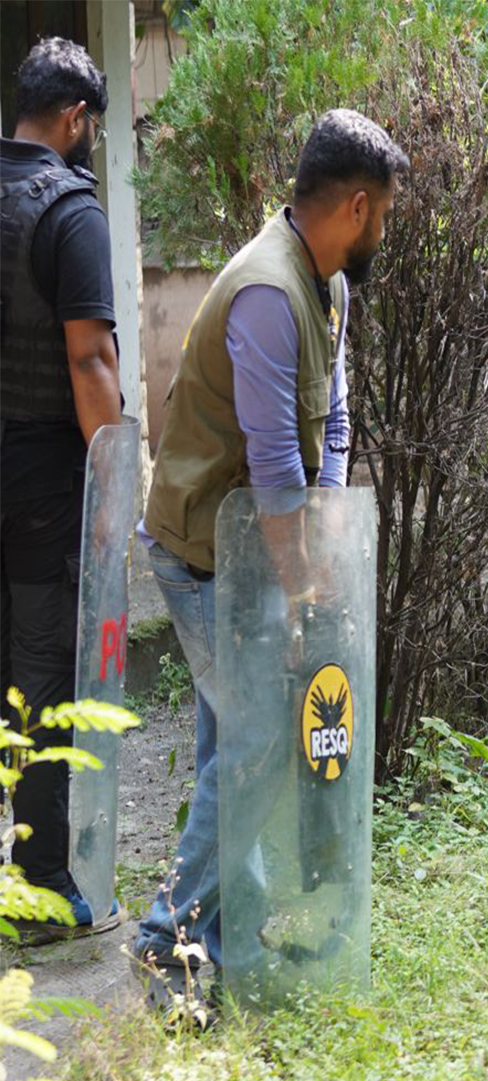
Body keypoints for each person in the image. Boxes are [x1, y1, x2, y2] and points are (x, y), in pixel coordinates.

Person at [129, 109, 407, 1018]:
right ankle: (162, 938)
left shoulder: (328, 286)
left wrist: (325, 526)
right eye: (385, 216)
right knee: (254, 749)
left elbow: (328, 425)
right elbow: (273, 465)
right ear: (357, 207)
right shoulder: (266, 292)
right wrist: (301, 584)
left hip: (254, 549)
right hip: (201, 554)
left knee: (230, 743)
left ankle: (214, 935)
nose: (384, 233)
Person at [1, 38, 124, 938]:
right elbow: (88, 359)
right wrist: (115, 488)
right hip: (42, 484)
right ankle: (40, 885)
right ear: (76, 118)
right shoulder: (70, 212)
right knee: (43, 674)